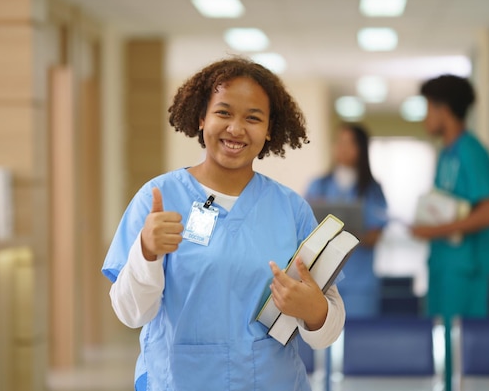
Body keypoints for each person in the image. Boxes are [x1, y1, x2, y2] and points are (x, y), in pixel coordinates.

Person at [102, 57, 345, 391]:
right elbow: (131, 313)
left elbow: (327, 332)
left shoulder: (291, 209)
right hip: (179, 380)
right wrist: (146, 251)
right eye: (223, 113)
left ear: (270, 129)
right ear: (202, 118)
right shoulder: (158, 198)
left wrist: (315, 311)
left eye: (253, 118)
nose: (236, 128)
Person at [411, 74, 489, 391]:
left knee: (460, 354)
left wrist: (436, 229)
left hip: (466, 268)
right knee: (442, 348)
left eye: (428, 108)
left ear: (443, 109)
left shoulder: (470, 152)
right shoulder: (447, 153)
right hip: (445, 266)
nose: (426, 117)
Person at [305, 123, 388, 318]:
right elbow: (304, 230)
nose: (341, 148)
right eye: (339, 142)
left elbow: (374, 237)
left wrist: (343, 234)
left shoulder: (372, 190)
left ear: (361, 149)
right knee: (322, 344)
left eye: (348, 143)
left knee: (360, 343)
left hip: (360, 285)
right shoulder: (318, 186)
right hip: (322, 282)